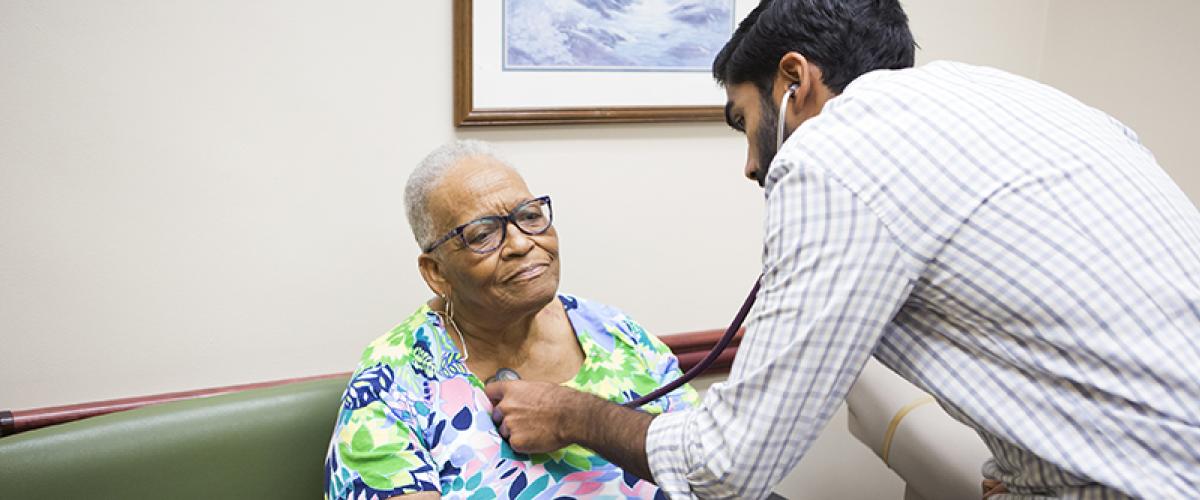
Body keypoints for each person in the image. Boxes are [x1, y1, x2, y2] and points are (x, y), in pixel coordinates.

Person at [485, 0, 1200, 498]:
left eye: (745, 120)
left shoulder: (832, 151)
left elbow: (735, 466)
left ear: (795, 81)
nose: (749, 165)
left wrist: (574, 416)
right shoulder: (1024, 99)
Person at [323, 140, 698, 499]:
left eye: (530, 216)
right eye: (483, 234)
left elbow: (708, 466)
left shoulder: (618, 334)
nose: (521, 243)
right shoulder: (391, 382)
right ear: (437, 271)